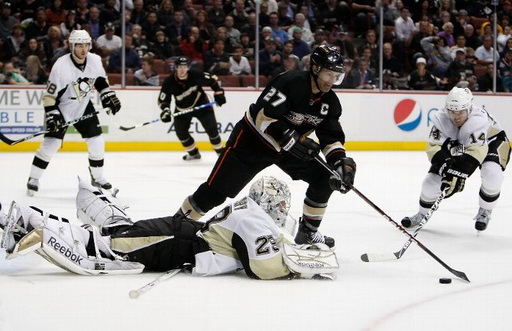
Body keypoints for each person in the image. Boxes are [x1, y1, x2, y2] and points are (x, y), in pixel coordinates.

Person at [174, 45, 356, 248]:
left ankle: (307, 232)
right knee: (215, 192)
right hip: (252, 141)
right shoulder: (290, 82)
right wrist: (293, 140)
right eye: (328, 74)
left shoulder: (330, 102)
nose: (331, 81)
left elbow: (330, 137)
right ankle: (177, 225)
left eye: (336, 76)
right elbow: (264, 118)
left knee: (325, 177)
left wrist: (340, 163)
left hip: (289, 148)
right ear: (315, 69)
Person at [0, 176, 338, 280]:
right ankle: (23, 219)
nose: (282, 212)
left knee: (116, 235)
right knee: (106, 245)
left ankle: (26, 219)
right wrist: (301, 265)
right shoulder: (255, 218)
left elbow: (271, 246)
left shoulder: (252, 211)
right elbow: (262, 268)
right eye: (279, 206)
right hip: (176, 241)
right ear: (268, 203)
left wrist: (300, 251)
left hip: (181, 236)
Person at [25, 30, 122, 196]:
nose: (83, 49)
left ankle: (97, 177)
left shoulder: (95, 60)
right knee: (51, 144)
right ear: (71, 46)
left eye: (86, 45)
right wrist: (53, 115)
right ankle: (33, 178)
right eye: (79, 45)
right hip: (61, 107)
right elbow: (49, 96)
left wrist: (107, 95)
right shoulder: (61, 66)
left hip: (83, 105)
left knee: (97, 141)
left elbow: (99, 80)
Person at [402, 87, 510, 231]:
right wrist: (447, 167)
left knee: (492, 173)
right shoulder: (441, 119)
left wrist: (458, 174)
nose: (456, 117)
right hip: (461, 146)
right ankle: (421, 214)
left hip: (492, 142)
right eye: (452, 112)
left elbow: (477, 150)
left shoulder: (479, 121)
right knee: (430, 182)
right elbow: (434, 148)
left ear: (469, 109)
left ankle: (485, 210)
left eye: (461, 112)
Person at [158, 56, 227, 160]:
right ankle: (193, 153)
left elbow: (212, 80)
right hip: (182, 109)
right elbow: (163, 100)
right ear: (176, 67)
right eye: (180, 67)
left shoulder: (196, 74)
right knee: (181, 133)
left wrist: (219, 93)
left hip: (201, 106)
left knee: (212, 130)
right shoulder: (169, 82)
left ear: (188, 67)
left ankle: (220, 154)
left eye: (184, 67)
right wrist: (166, 110)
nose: (182, 70)